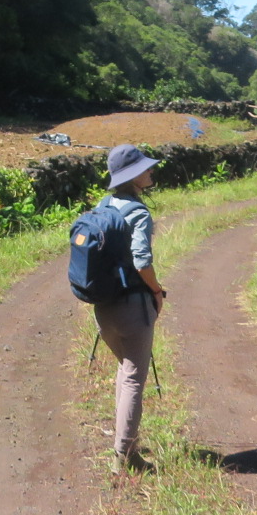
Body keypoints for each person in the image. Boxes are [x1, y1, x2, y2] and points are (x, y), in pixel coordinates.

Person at [96, 141, 166, 471]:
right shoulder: (138, 212)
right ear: (134, 176)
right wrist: (156, 291)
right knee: (135, 377)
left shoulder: (104, 204)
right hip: (132, 306)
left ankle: (125, 444)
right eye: (146, 168)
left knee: (125, 371)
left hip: (104, 306)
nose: (151, 170)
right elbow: (142, 261)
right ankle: (125, 456)